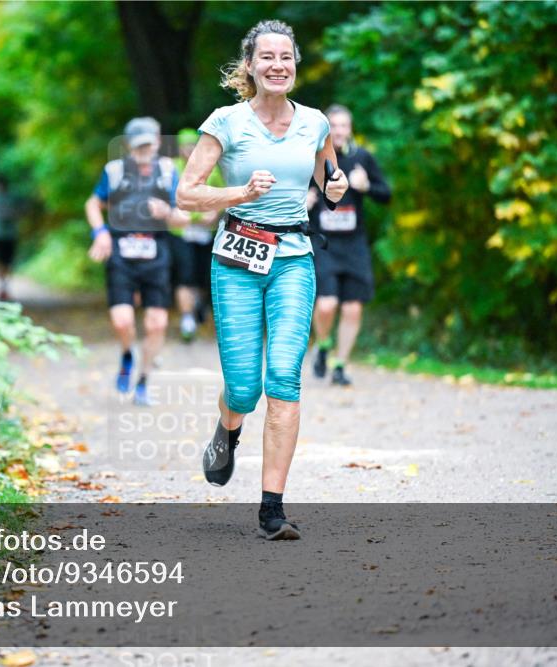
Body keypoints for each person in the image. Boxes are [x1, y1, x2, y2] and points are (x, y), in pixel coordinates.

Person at [176, 20, 347, 539]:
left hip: (294, 256)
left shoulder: (315, 122)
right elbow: (187, 194)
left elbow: (330, 180)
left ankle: (272, 509)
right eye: (267, 57)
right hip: (237, 259)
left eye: (286, 57)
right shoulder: (225, 123)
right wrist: (240, 194)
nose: (278, 65)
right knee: (245, 388)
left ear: (296, 65)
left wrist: (335, 187)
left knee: (284, 379)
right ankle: (228, 429)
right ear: (250, 65)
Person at [86, 117, 189, 406]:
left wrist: (167, 212)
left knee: (157, 323)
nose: (146, 150)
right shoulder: (115, 171)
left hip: (156, 251)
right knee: (123, 321)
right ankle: (127, 354)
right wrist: (100, 233)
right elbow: (94, 203)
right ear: (130, 145)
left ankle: (143, 381)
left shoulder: (168, 171)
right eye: (140, 145)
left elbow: (184, 216)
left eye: (150, 143)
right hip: (121, 250)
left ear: (158, 141)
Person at [306, 104, 391, 386]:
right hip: (324, 243)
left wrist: (366, 186)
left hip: (354, 244)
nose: (340, 131)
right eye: (334, 126)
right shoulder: (314, 158)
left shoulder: (361, 158)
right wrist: (304, 203)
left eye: (344, 126)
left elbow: (386, 194)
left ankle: (340, 364)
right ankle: (323, 345)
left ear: (350, 129)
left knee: (353, 308)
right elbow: (292, 195)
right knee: (327, 304)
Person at [171, 129, 224, 341]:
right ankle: (187, 319)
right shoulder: (172, 169)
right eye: (185, 146)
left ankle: (198, 308)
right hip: (180, 232)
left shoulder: (212, 168)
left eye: (193, 145)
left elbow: (224, 194)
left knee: (203, 276)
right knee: (185, 275)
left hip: (205, 231)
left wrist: (214, 212)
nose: (189, 150)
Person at [0, 176, 21, 301]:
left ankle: (4, 287)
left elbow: (18, 213)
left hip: (10, 235)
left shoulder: (11, 198)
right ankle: (1, 287)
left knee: (8, 262)